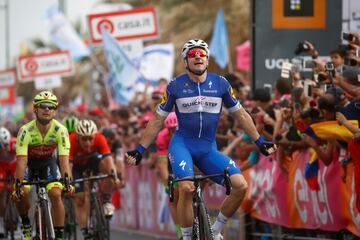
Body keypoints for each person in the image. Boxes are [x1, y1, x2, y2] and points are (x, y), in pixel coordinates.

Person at [125, 39, 277, 240]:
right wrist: (140, 149)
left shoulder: (221, 84)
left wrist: (259, 141)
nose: (198, 56)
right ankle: (187, 237)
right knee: (186, 188)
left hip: (207, 149)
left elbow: (241, 115)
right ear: (185, 61)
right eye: (192, 54)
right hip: (182, 146)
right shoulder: (175, 86)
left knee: (240, 186)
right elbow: (157, 120)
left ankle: (215, 231)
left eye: (202, 53)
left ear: (207, 59)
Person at [12, 91, 73, 240]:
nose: (47, 109)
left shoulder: (61, 130)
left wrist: (67, 181)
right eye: (43, 106)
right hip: (29, 164)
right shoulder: (25, 131)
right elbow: (21, 161)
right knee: (22, 194)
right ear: (35, 109)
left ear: (54, 111)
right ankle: (26, 223)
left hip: (48, 164)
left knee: (56, 194)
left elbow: (64, 159)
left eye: (51, 107)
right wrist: (18, 185)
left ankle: (58, 236)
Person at [69, 119, 119, 239]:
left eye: (90, 138)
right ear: (78, 137)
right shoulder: (70, 140)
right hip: (75, 167)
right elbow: (68, 166)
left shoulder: (100, 138)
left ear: (94, 136)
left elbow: (109, 160)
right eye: (84, 139)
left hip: (92, 161)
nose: (88, 143)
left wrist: (114, 176)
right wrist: (69, 183)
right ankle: (85, 231)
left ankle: (106, 200)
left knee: (108, 172)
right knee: (80, 199)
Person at [155, 112, 182, 239]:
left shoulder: (187, 132)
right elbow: (162, 163)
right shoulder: (162, 136)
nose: (172, 133)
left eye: (175, 129)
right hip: (171, 162)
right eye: (170, 130)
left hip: (185, 157)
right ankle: (180, 231)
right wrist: (167, 183)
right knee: (173, 197)